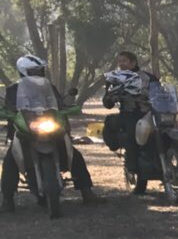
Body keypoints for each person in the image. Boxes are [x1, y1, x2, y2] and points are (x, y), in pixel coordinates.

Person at [2, 54, 102, 211]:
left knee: (74, 155)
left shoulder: (49, 87)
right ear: (23, 71)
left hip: (49, 126)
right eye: (34, 70)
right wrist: (9, 113)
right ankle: (7, 200)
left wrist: (66, 109)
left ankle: (87, 192)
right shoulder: (13, 90)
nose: (38, 73)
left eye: (40, 70)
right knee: (10, 161)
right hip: (25, 129)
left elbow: (58, 104)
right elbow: (10, 107)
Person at [102, 50, 162, 194]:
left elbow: (160, 93)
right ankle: (132, 166)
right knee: (130, 132)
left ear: (133, 63)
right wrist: (112, 97)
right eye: (120, 61)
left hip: (149, 113)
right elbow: (107, 101)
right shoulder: (115, 79)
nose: (121, 64)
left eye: (124, 61)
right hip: (129, 113)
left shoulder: (148, 77)